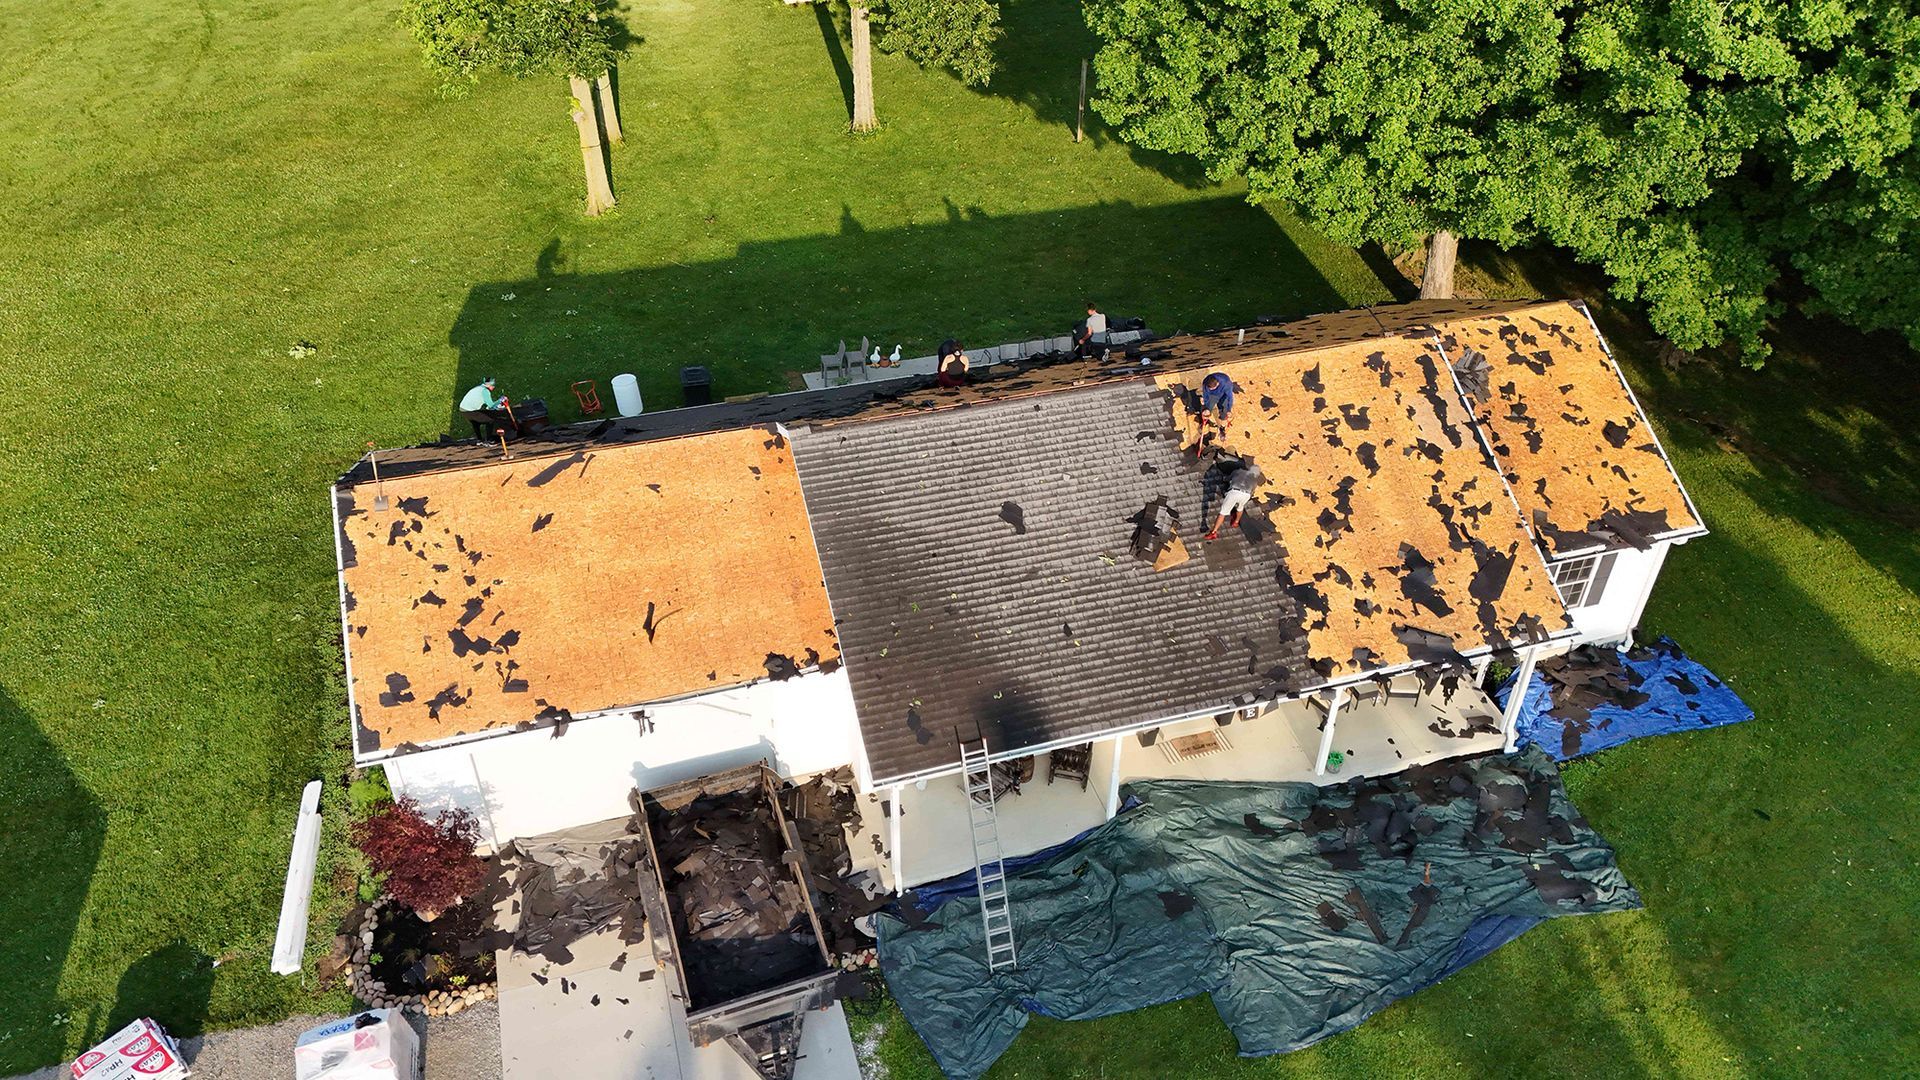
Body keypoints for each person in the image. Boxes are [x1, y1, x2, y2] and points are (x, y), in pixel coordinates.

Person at [1205, 458, 1263, 541]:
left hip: (1234, 492)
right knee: (1240, 507)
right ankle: (1236, 522)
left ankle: (1214, 532)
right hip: (1246, 495)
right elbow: (1252, 492)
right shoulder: (1254, 481)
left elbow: (1227, 479)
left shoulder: (1239, 471)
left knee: (1222, 513)